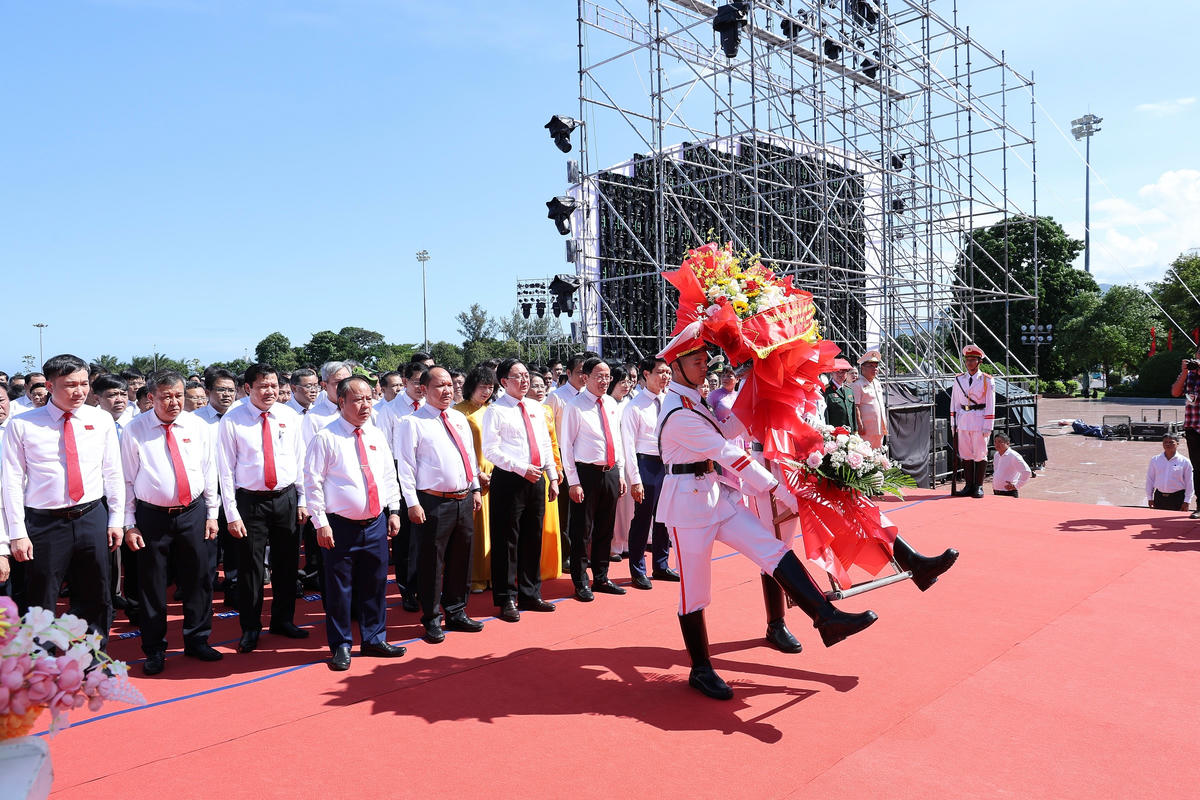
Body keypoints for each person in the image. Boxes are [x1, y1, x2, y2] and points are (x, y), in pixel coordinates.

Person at [653, 328, 885, 700]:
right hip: (688, 506)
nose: (703, 366)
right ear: (676, 366)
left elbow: (728, 429)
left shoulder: (693, 401)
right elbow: (729, 453)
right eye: (695, 362)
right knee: (695, 593)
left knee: (772, 550)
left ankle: (825, 618)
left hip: (717, 495)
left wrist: (760, 397)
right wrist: (776, 488)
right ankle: (700, 668)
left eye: (702, 360)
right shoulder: (679, 411)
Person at [0, 354, 125, 648]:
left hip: (92, 515)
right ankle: (41, 662)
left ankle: (92, 658)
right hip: (44, 522)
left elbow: (113, 472)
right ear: (50, 384)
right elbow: (11, 482)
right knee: (41, 598)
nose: (79, 391)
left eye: (84, 384)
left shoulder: (100, 419)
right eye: (70, 385)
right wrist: (16, 534)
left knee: (96, 594)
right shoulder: (23, 425)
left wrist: (116, 519)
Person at [120, 371, 222, 674]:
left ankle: (197, 639)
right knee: (152, 585)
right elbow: (125, 480)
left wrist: (212, 513)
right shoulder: (134, 430)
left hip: (193, 512)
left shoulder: (198, 426)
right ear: (151, 398)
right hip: (151, 517)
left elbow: (208, 471)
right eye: (166, 396)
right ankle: (154, 649)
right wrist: (129, 524)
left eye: (178, 395)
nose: (174, 402)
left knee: (199, 580)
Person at [304, 375, 407, 671]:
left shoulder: (375, 434)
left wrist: (394, 510)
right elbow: (313, 483)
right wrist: (320, 522)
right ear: (341, 402)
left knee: (375, 585)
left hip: (375, 522)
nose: (365, 405)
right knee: (339, 589)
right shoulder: (326, 437)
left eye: (368, 398)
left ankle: (375, 639)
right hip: (339, 525)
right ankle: (341, 645)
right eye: (357, 400)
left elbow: (388, 475)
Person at [215, 363, 309, 653]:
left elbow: (300, 459)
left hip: (286, 497)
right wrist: (231, 513)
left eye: (273, 386)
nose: (269, 392)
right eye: (262, 387)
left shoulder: (289, 416)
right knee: (251, 569)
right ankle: (251, 627)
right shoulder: (232, 420)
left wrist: (303, 499)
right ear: (248, 388)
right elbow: (225, 470)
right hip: (250, 501)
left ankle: (283, 620)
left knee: (287, 564)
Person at [395, 367, 485, 643]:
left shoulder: (458, 418)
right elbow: (406, 468)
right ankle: (432, 617)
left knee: (461, 558)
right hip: (432, 502)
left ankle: (457, 611)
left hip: (463, 498)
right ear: (424, 389)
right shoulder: (412, 423)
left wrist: (476, 489)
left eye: (449, 385)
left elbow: (468, 456)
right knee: (431, 562)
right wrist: (411, 503)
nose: (447, 390)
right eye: (439, 386)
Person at [482, 359, 559, 621]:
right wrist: (520, 467)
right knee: (507, 541)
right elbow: (490, 450)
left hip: (536, 479)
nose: (525, 381)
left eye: (526, 375)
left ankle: (530, 593)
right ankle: (506, 599)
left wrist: (552, 477)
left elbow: (545, 444)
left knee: (532, 537)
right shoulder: (496, 410)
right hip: (509, 479)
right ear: (504, 382)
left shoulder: (537, 407)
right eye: (518, 377)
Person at [559, 357, 626, 602]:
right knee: (581, 530)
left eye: (607, 376)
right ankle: (580, 581)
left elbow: (616, 439)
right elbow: (566, 446)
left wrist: (619, 470)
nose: (604, 381)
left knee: (605, 528)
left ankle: (602, 576)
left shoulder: (611, 403)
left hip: (609, 472)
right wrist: (573, 482)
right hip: (585, 473)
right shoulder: (574, 406)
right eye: (599, 376)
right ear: (585, 378)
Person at [620, 355, 677, 590]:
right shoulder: (634, 406)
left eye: (667, 372)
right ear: (646, 374)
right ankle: (637, 570)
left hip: (668, 465)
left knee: (664, 518)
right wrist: (635, 479)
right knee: (642, 520)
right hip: (646, 465)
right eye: (660, 372)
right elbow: (628, 445)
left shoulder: (671, 400)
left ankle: (661, 565)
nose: (665, 376)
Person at [380, 361, 429, 612]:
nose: (422, 388)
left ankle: (427, 586)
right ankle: (407, 589)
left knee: (429, 537)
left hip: (430, 476)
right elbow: (385, 451)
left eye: (425, 382)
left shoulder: (433, 407)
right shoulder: (390, 411)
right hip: (400, 474)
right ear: (405, 380)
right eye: (417, 382)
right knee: (406, 540)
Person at [454, 365, 495, 593]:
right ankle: (476, 576)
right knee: (475, 531)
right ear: (471, 386)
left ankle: (492, 574)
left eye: (490, 387)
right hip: (473, 476)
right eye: (482, 387)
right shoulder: (459, 412)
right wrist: (476, 474)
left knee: (494, 529)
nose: (487, 392)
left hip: (495, 475)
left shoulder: (493, 410)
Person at [527, 371, 563, 582]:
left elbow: (552, 442)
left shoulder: (548, 410)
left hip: (549, 470)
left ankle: (549, 566)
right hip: (528, 472)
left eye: (542, 386)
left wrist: (556, 470)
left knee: (549, 522)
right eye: (535, 386)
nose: (540, 390)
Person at [949, 344, 996, 499]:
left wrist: (988, 425)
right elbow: (955, 402)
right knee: (966, 453)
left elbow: (990, 404)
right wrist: (953, 422)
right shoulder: (958, 379)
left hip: (979, 419)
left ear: (979, 361)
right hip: (963, 419)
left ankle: (979, 486)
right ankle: (969, 485)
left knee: (980, 453)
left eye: (973, 360)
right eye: (967, 360)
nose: (969, 363)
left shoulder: (986, 380)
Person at [607, 361, 637, 561]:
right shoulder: (607, 403)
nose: (626, 386)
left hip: (631, 456)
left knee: (629, 504)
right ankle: (614, 544)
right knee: (615, 505)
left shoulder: (630, 403)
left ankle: (626, 541)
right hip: (613, 458)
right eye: (621, 382)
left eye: (628, 382)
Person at [1169, 354, 1200, 517]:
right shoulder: (1189, 375)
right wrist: (1184, 372)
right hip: (1193, 428)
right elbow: (1175, 392)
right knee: (1198, 468)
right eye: (1198, 354)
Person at [1146, 434, 1193, 511]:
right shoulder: (1155, 460)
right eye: (1165, 442)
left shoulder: (1185, 461)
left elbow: (1190, 483)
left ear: (1177, 443)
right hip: (1159, 497)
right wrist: (1149, 498)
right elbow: (1150, 480)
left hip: (1178, 498)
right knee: (1158, 521)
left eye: (1171, 442)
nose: (1168, 444)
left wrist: (1187, 501)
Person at [852, 350, 888, 449]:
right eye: (871, 366)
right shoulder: (857, 384)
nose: (875, 369)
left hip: (879, 426)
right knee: (866, 454)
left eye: (876, 366)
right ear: (862, 367)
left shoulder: (877, 383)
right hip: (866, 428)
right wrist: (860, 425)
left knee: (878, 454)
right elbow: (856, 406)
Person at [991, 432, 1032, 497]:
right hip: (996, 491)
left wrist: (1017, 485)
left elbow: (1027, 471)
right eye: (995, 442)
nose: (996, 444)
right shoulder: (996, 455)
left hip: (1009, 493)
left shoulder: (1014, 456)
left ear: (1007, 443)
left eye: (1000, 442)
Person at [823, 358, 856, 431]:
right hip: (835, 433)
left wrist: (855, 431)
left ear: (847, 373)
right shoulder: (826, 391)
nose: (840, 374)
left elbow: (853, 413)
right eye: (837, 371)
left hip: (850, 432)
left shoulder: (849, 390)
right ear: (831, 373)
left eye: (843, 372)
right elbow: (825, 414)